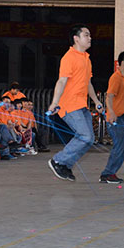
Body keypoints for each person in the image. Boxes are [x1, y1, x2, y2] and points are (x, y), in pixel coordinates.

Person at [47, 24, 103, 181]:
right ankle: (57, 160)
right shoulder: (69, 58)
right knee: (84, 135)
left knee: (89, 139)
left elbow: (88, 83)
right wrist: (54, 103)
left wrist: (96, 101)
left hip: (82, 105)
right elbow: (61, 81)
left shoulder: (86, 59)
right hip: (69, 105)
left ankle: (65, 165)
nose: (90, 38)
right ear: (76, 39)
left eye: (90, 35)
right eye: (86, 35)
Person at [100, 51, 124, 184]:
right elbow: (109, 96)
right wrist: (111, 112)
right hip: (115, 118)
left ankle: (110, 172)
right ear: (122, 63)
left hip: (123, 118)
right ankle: (107, 174)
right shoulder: (116, 78)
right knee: (119, 146)